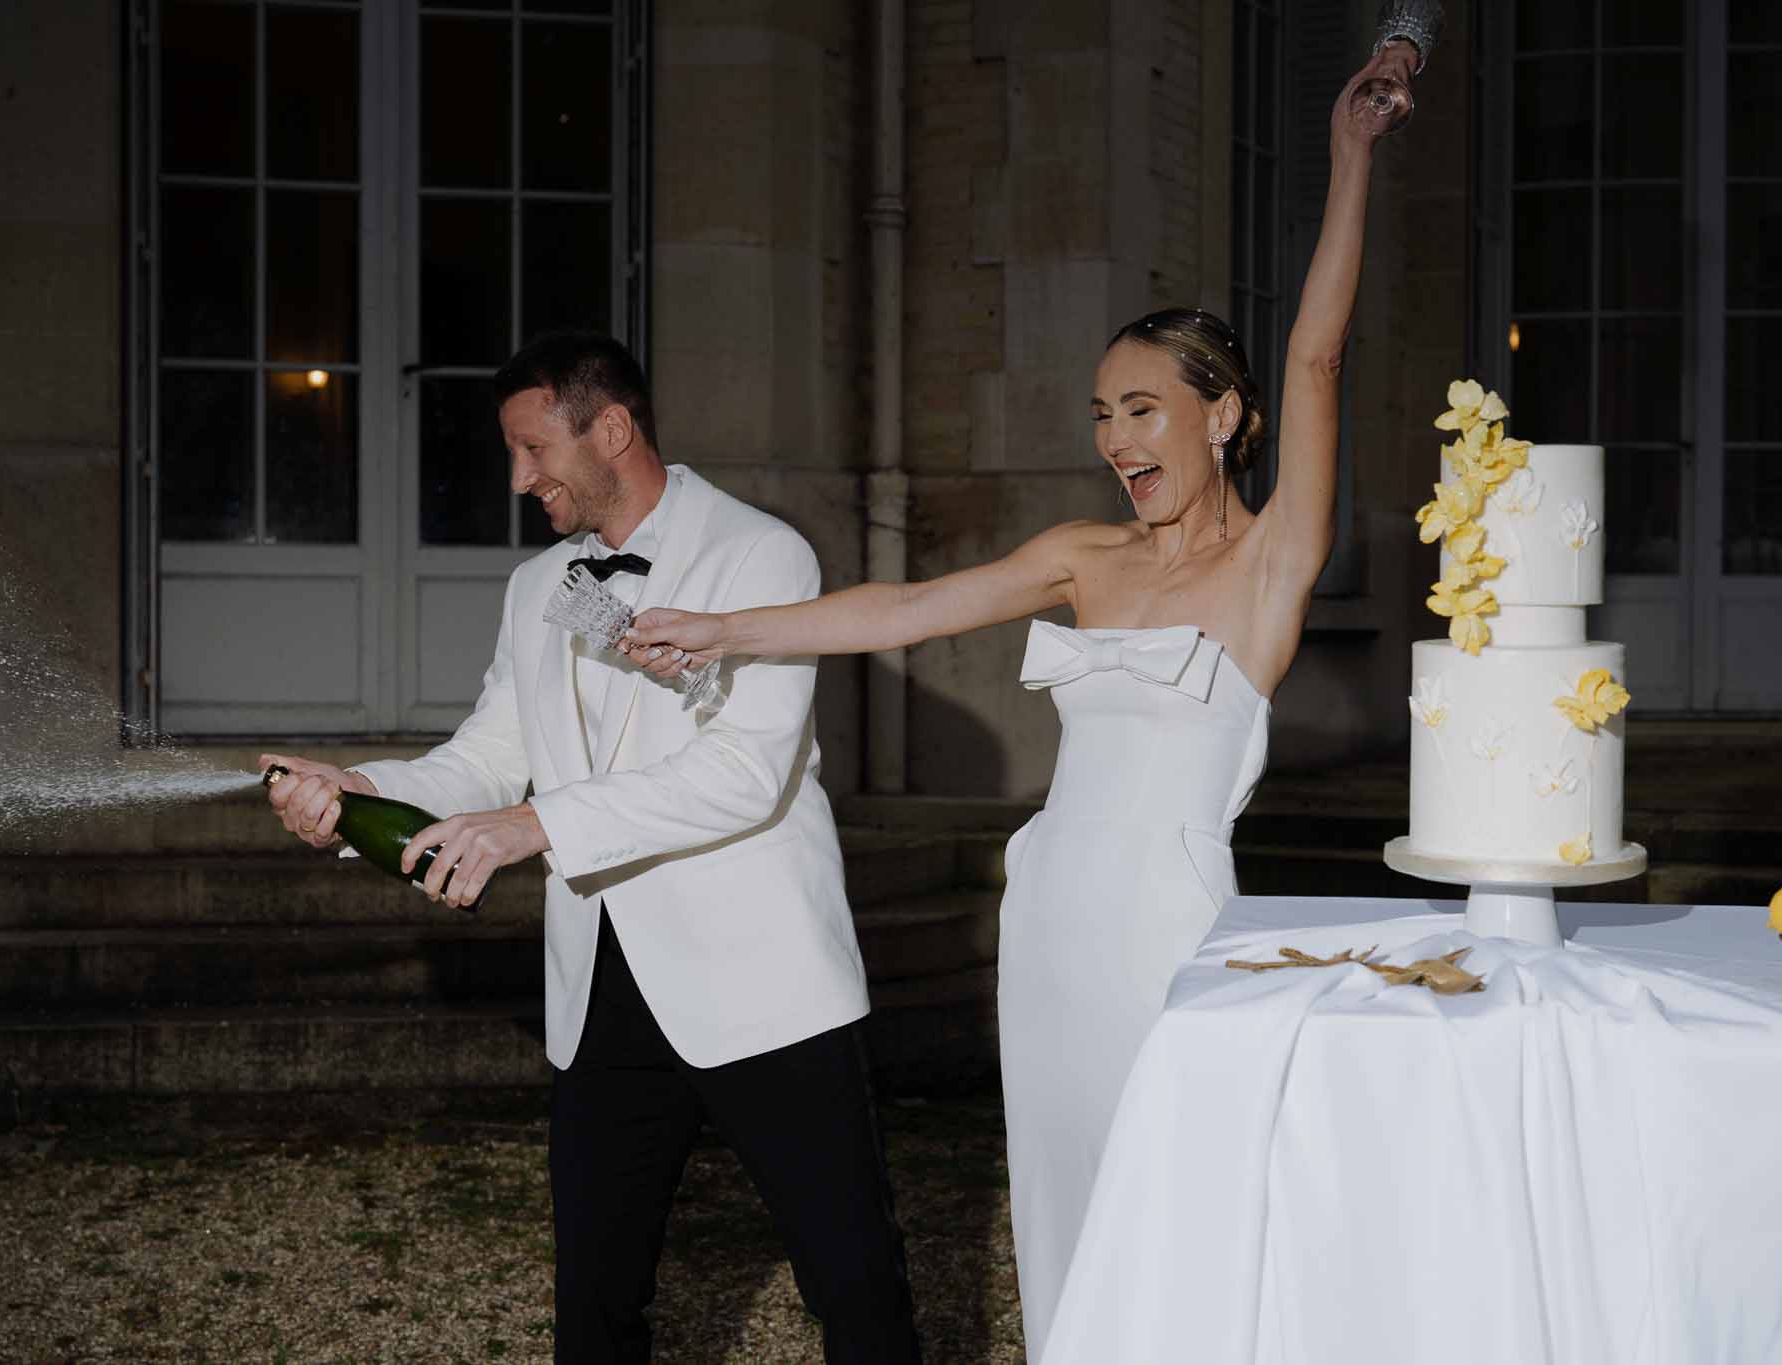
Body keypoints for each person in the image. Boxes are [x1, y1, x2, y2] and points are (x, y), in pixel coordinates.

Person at [620, 46, 1411, 1361]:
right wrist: (724, 626)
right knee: (1067, 1191)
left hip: (1171, 927)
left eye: (1144, 408)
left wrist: (1349, 155)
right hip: (1047, 918)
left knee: (1190, 1200)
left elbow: (1320, 357)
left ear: (1224, 419)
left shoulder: (1270, 566)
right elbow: (898, 608)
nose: (1117, 439)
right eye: (1103, 413)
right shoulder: (1077, 555)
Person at [260, 333, 922, 1365]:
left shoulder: (760, 554)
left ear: (611, 429)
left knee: (854, 1287)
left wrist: (535, 827)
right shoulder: (535, 588)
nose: (519, 478)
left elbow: (741, 774)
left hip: (762, 982)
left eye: (532, 450)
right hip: (599, 987)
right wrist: (363, 792)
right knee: (597, 1305)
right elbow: (489, 755)